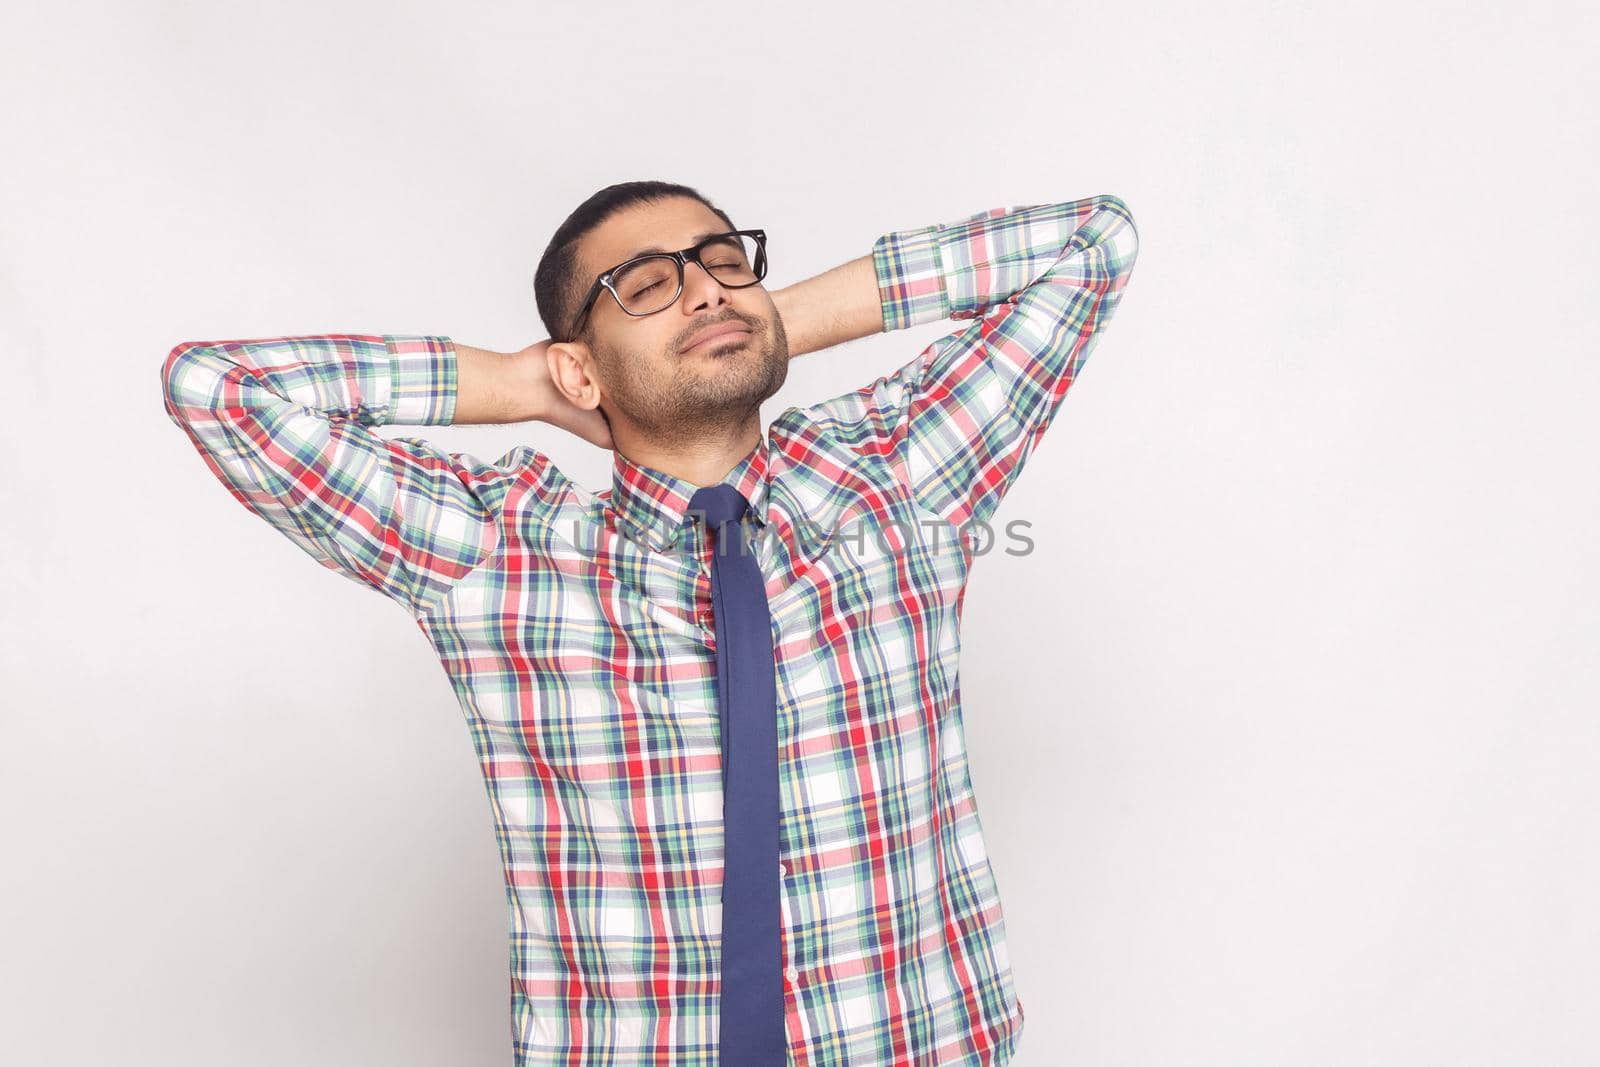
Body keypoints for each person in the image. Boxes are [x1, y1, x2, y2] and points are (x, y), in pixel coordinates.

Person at [160, 179, 1139, 1066]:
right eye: (648, 284)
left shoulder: (895, 475)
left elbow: (1092, 241)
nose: (707, 288)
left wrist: (766, 320)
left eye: (722, 262)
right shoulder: (500, 555)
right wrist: (524, 383)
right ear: (580, 368)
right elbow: (217, 389)